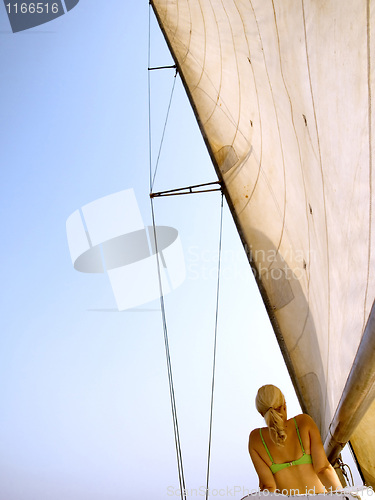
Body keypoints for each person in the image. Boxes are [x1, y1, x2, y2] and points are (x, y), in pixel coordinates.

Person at [248, 384, 342, 495]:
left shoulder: (256, 439)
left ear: (261, 413)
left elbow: (268, 487)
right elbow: (323, 469)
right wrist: (344, 496)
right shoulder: (303, 423)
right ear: (284, 405)